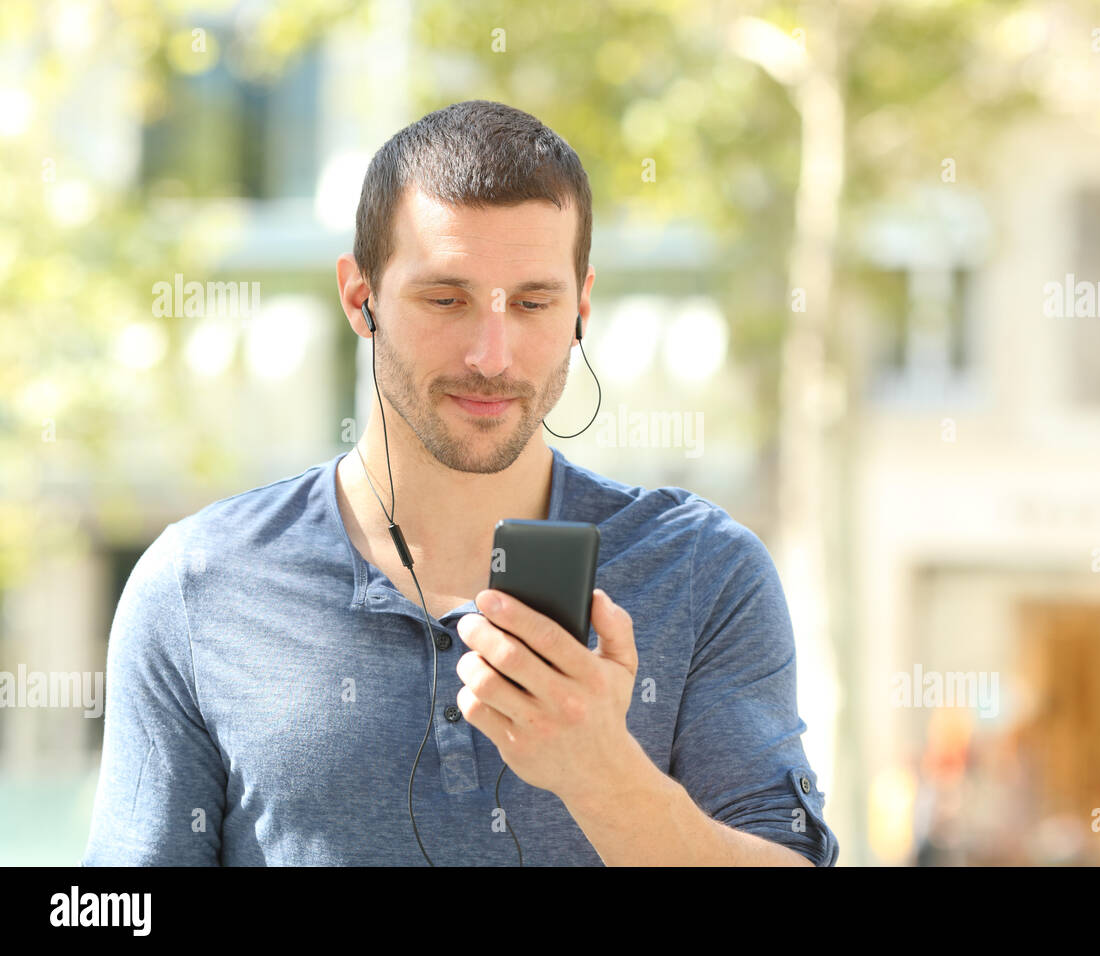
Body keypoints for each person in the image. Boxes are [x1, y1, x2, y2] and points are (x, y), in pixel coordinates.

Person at [81, 100, 837, 866]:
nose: (491, 354)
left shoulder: (705, 572)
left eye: (534, 302)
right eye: (447, 299)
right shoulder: (197, 584)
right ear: (359, 297)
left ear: (581, 305)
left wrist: (603, 777)